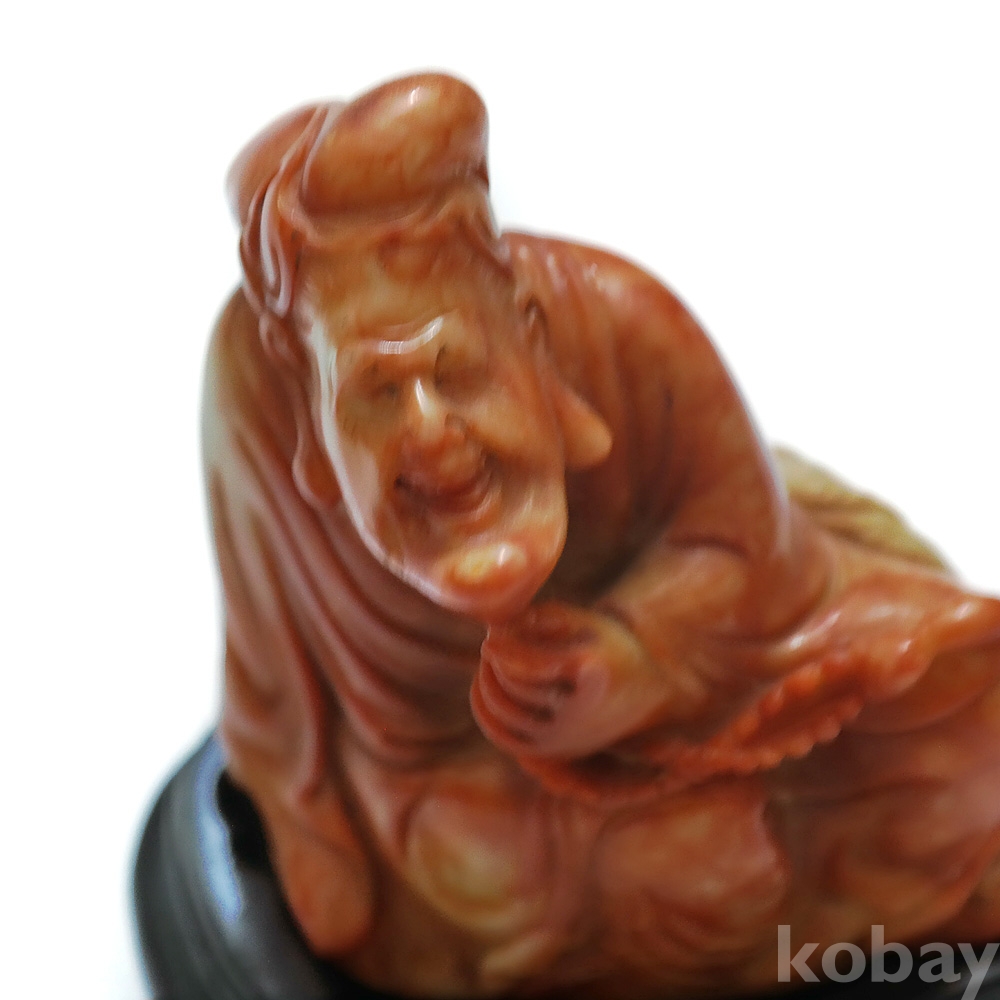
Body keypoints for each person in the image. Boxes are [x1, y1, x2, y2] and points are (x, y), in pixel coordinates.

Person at [206, 73, 1000, 997]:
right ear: (312, 416)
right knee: (659, 870)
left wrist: (638, 657)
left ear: (527, 331)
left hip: (708, 706)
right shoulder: (257, 400)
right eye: (378, 393)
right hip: (456, 779)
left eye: (454, 370)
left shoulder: (627, 323)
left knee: (962, 763)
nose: (430, 432)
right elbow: (279, 703)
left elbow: (759, 560)